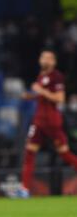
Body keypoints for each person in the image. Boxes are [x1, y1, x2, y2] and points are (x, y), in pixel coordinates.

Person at [19, 49, 77, 197]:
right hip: (39, 121)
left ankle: (24, 189)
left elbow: (59, 98)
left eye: (48, 58)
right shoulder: (41, 76)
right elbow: (43, 96)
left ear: (53, 62)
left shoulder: (56, 76)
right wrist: (31, 96)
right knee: (29, 153)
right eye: (42, 57)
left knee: (65, 153)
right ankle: (24, 190)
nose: (44, 60)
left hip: (52, 122)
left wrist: (40, 90)